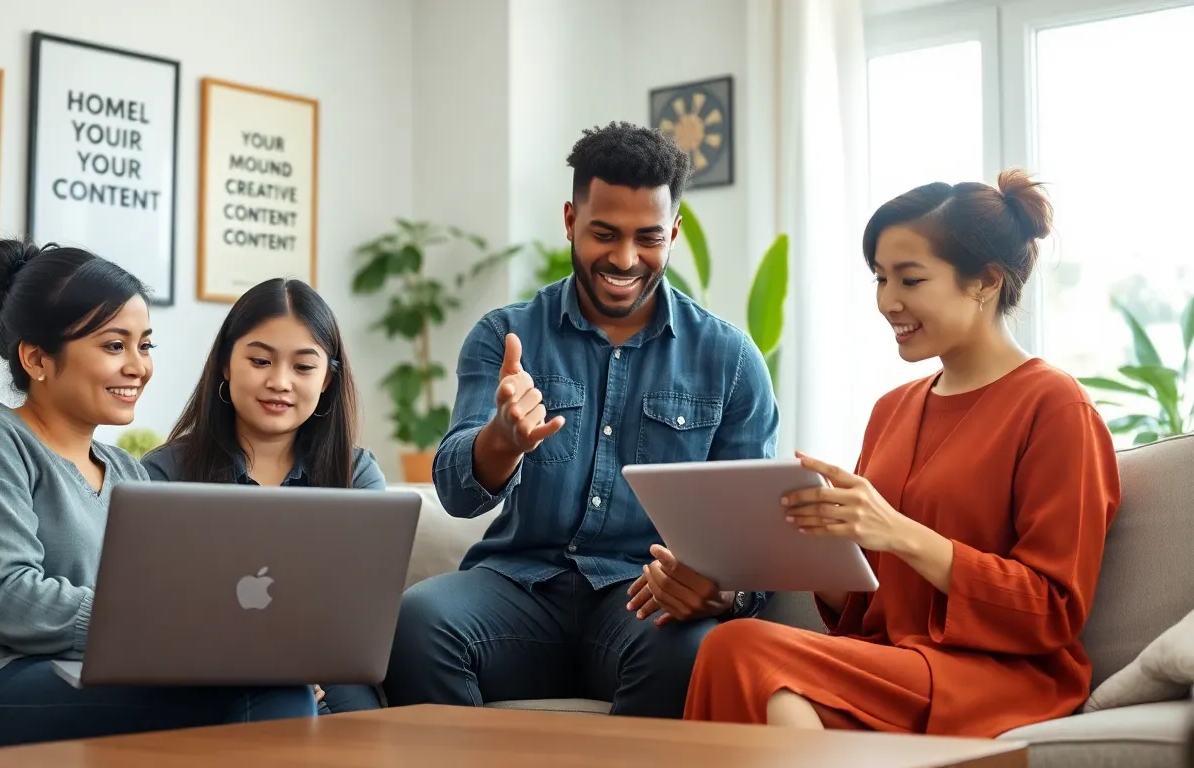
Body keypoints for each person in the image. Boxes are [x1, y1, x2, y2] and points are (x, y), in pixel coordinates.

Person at [681, 170, 1122, 737]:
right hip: (890, 663)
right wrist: (807, 550)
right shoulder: (892, 409)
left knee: (743, 651)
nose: (887, 301)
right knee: (754, 672)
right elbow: (869, 607)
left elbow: (1052, 610)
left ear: (985, 281)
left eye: (910, 280)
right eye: (880, 278)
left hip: (1000, 676)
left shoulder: (1055, 407)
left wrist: (897, 531)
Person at [381, 121, 780, 718]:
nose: (624, 258)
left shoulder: (729, 360)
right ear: (571, 222)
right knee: (418, 623)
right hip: (516, 588)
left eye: (648, 237)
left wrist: (724, 591)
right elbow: (457, 494)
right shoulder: (504, 335)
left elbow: (752, 539)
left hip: (642, 598)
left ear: (672, 232)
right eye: (603, 233)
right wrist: (501, 442)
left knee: (692, 650)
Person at [0, 240, 318, 749]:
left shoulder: (128, 471)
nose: (138, 367)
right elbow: (8, 599)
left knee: (278, 681)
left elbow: (161, 593)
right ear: (37, 358)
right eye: (114, 346)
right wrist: (152, 621)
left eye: (144, 345)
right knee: (258, 696)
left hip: (89, 671)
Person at [142, 277, 385, 715]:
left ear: (328, 379)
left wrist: (305, 666)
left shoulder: (357, 475)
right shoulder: (164, 473)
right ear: (225, 365)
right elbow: (155, 612)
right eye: (260, 360)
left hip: (329, 668)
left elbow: (361, 611)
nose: (280, 382)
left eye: (304, 367)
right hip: (206, 674)